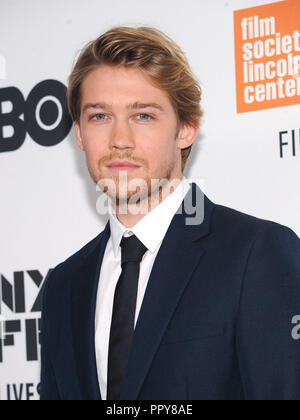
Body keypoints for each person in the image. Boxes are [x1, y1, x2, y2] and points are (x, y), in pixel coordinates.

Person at [40, 25, 300, 400]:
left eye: (143, 116)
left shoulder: (255, 254)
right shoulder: (63, 286)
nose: (119, 140)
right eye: (99, 116)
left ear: (186, 129)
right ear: (79, 133)